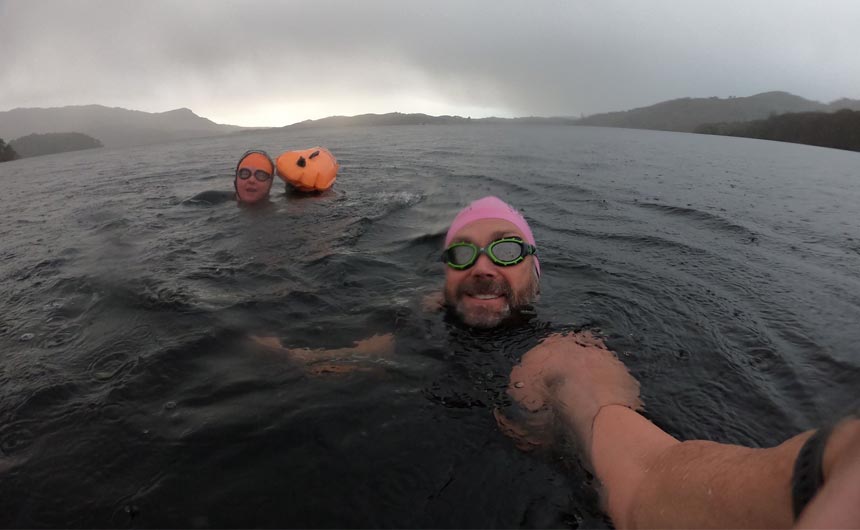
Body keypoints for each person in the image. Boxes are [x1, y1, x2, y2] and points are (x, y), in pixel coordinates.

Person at [257, 195, 860, 528]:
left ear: (535, 276)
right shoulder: (422, 315)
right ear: (443, 276)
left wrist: (810, 479)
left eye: (507, 249)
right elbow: (348, 362)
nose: (483, 265)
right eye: (463, 252)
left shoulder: (563, 353)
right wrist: (271, 351)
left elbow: (647, 474)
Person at [185, 150, 275, 205]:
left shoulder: (284, 205)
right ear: (236, 179)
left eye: (261, 175)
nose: (251, 180)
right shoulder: (208, 199)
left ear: (270, 183)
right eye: (244, 173)